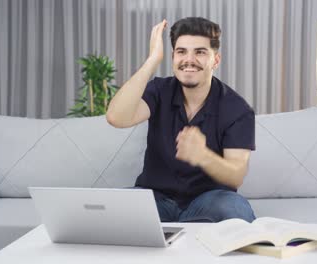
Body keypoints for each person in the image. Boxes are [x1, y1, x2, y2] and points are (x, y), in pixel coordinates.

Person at [106, 17, 255, 223]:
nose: (189, 60)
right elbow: (116, 117)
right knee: (111, 209)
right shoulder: (159, 90)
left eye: (200, 52)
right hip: (155, 198)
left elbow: (236, 175)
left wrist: (204, 156)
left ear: (216, 60)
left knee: (235, 209)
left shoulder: (237, 109)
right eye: (181, 51)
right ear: (173, 57)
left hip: (209, 201)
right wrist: (152, 60)